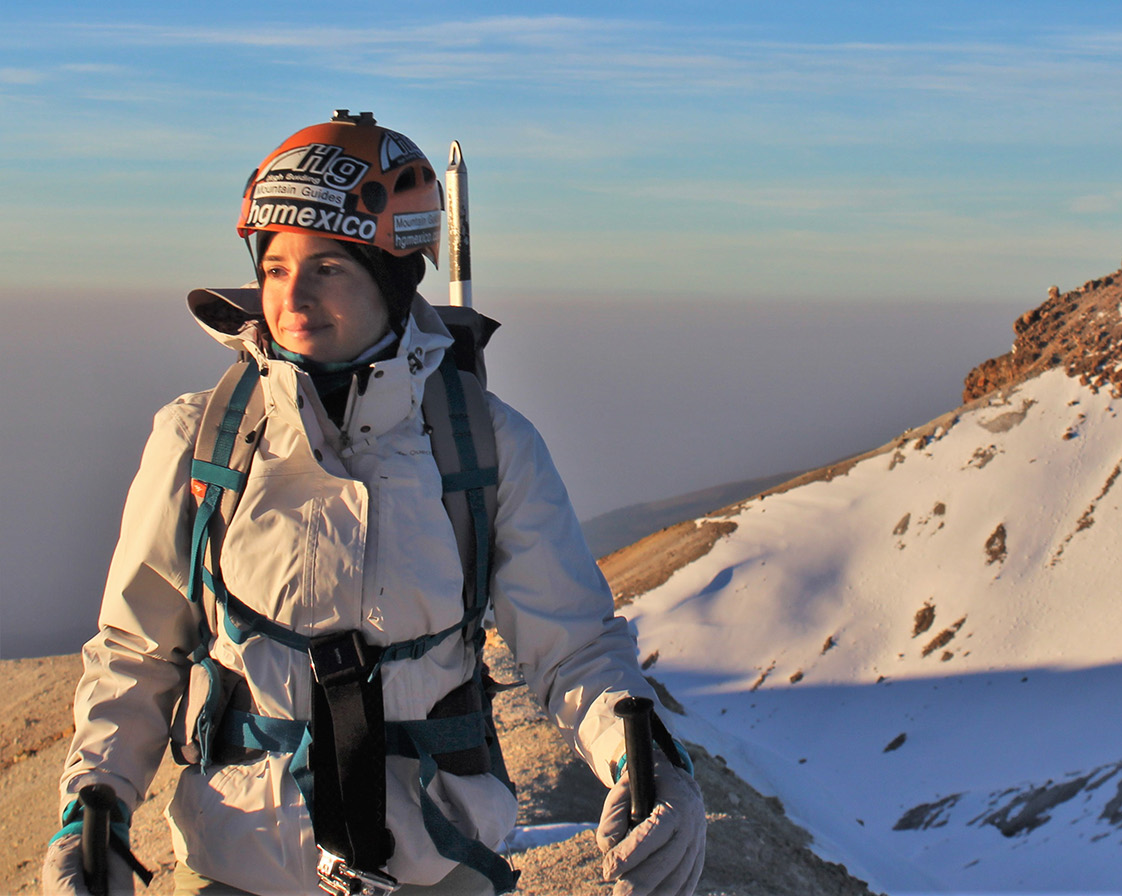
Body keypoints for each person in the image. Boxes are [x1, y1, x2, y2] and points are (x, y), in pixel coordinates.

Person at [42, 111, 705, 896]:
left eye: (329, 268)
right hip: (242, 867)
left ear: (393, 279)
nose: (292, 297)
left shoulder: (486, 446)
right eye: (277, 266)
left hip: (439, 866)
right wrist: (95, 808)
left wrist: (645, 762)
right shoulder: (202, 440)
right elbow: (139, 651)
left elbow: (575, 647)